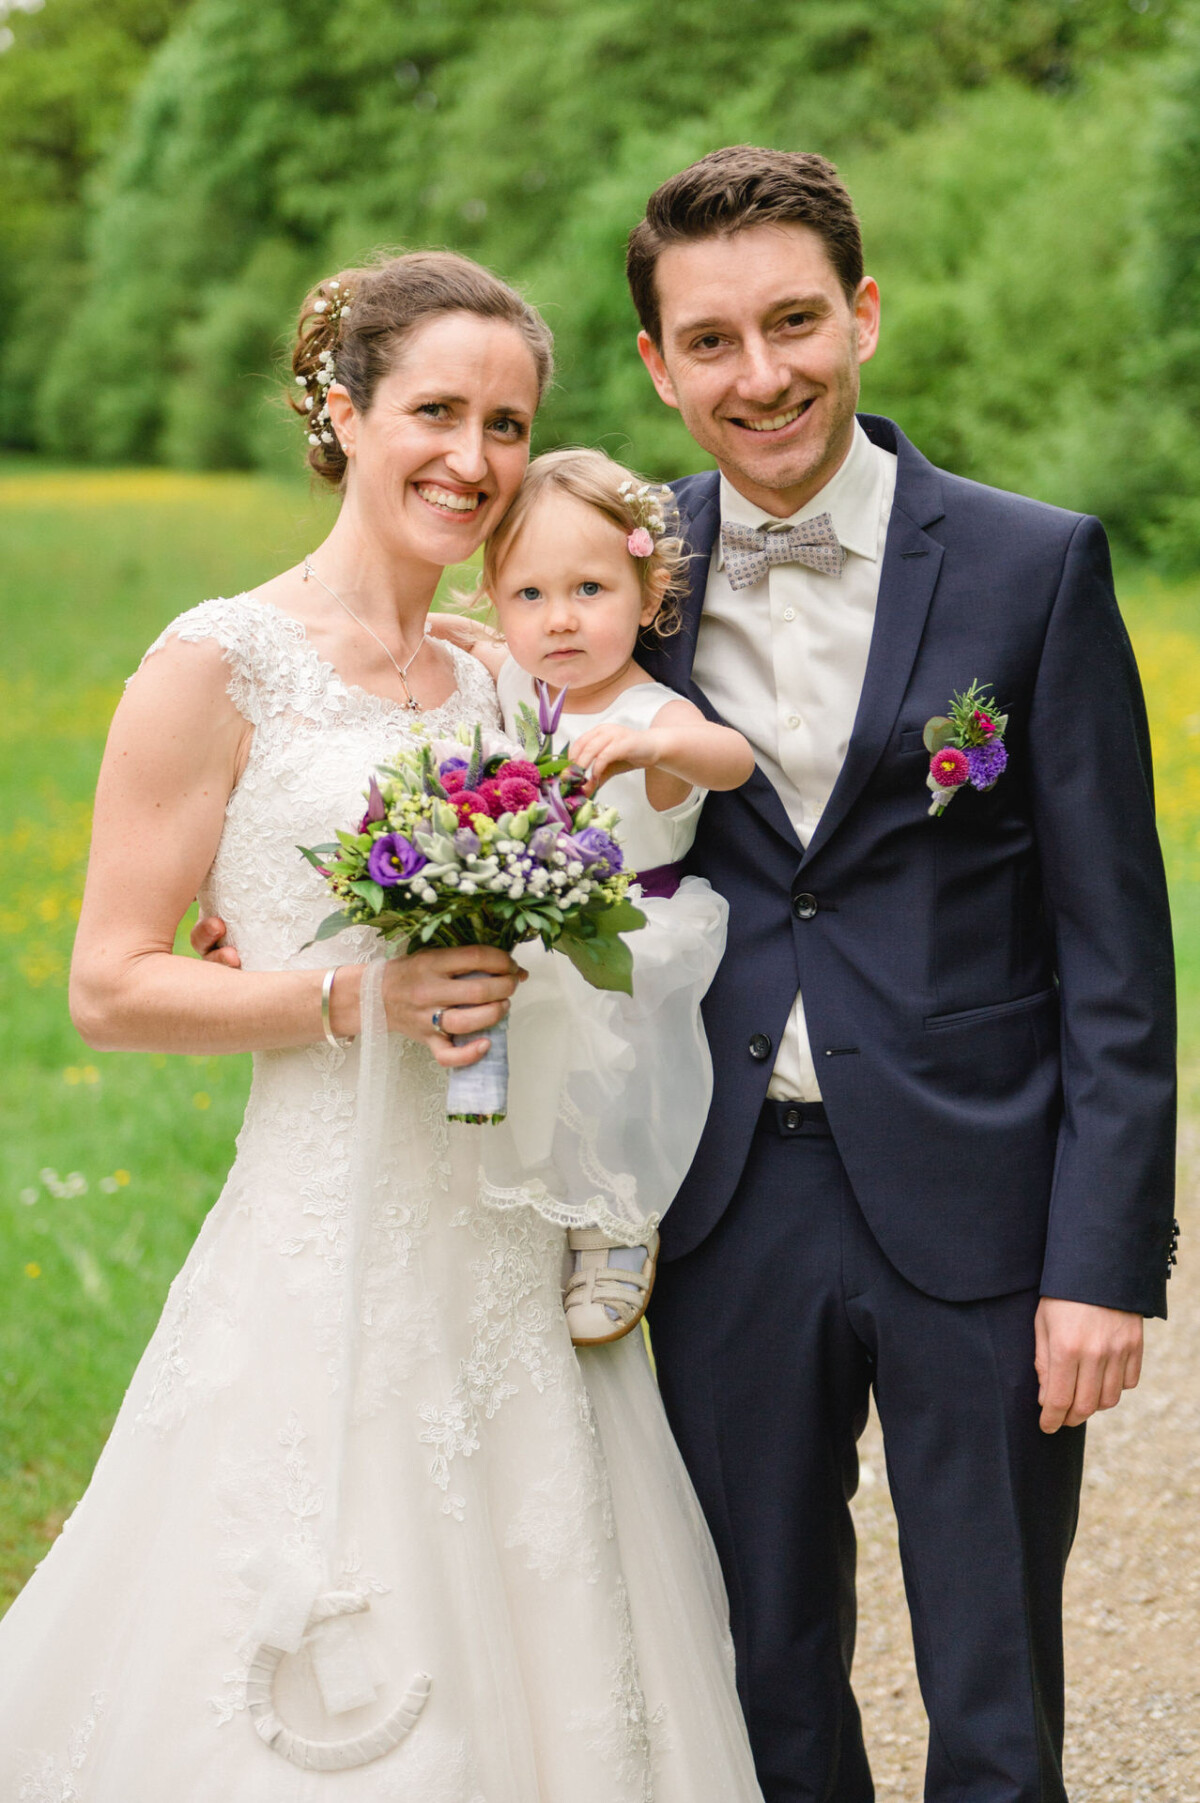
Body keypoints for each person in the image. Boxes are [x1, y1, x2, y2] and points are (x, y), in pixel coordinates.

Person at [0, 251, 765, 1802]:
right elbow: (110, 981)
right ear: (341, 411)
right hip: (326, 1230)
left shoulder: (500, 671)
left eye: (504, 422)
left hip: (509, 1235)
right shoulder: (217, 664)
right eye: (434, 410)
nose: (472, 458)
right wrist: (349, 993)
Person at [622, 148, 1178, 1803]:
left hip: (983, 1205)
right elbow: (493, 778)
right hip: (719, 1209)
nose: (762, 372)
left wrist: (1107, 1259)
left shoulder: (1035, 564)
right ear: (658, 366)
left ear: (864, 314)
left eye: (795, 321)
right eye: (710, 341)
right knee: (761, 1663)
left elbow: (1117, 957)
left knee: (994, 1675)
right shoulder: (616, 577)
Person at [435, 446, 754, 1344]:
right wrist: (457, 636)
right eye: (530, 594)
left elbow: (729, 760)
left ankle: (614, 1227)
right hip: (525, 924)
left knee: (609, 1090)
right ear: (496, 596)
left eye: (590, 590)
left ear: (647, 596)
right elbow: (491, 648)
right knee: (517, 1080)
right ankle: (515, 1208)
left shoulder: (656, 714)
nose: (560, 620)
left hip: (625, 931)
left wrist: (652, 748)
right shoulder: (513, 679)